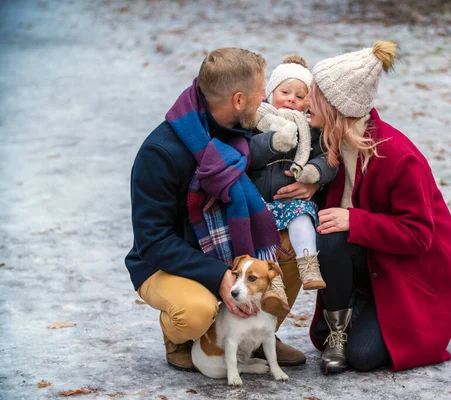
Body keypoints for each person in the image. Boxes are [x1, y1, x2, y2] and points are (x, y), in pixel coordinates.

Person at [125, 47, 316, 372]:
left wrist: (309, 184)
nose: (266, 100)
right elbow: (153, 241)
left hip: (229, 247)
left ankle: (256, 339)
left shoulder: (243, 128)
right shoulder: (160, 153)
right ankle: (180, 338)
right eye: (260, 92)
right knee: (196, 312)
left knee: (296, 245)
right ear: (238, 100)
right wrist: (219, 276)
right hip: (165, 261)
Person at [306, 41, 451, 374]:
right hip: (374, 261)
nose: (306, 101)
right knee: (330, 232)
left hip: (413, 279)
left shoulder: (399, 157)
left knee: (363, 357)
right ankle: (339, 328)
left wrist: (355, 219)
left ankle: (364, 304)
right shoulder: (332, 143)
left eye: (314, 94)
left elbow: (419, 235)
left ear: (336, 105)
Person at [248, 55, 339, 314]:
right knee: (261, 238)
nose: (291, 99)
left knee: (303, 221)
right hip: (260, 200)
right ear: (269, 93)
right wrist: (272, 142)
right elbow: (247, 154)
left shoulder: (311, 129)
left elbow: (328, 159)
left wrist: (314, 172)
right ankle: (272, 283)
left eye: (299, 97)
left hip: (292, 203)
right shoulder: (257, 122)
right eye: (285, 92)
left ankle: (309, 264)